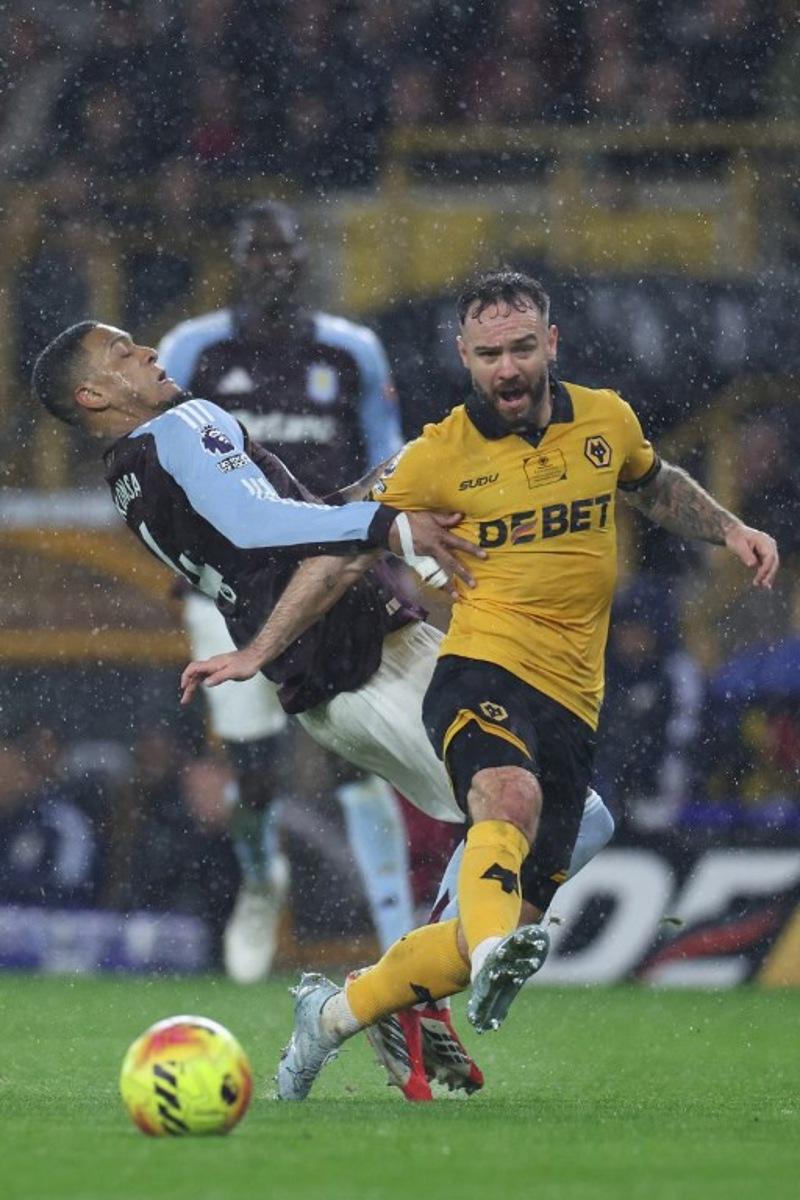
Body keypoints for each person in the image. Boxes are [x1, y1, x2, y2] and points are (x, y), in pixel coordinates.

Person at [188, 269, 777, 1100]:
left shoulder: (606, 420)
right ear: (465, 357)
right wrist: (257, 649)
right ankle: (500, 951)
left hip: (575, 701)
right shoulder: (436, 456)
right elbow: (337, 545)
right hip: (478, 668)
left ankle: (329, 1018)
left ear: (551, 345)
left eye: (522, 349)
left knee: (474, 936)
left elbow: (654, 485)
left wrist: (731, 527)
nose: (508, 368)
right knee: (505, 799)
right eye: (490, 353)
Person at [31, 317, 617, 1102]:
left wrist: (376, 495)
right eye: (121, 352)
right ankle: (397, 991)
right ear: (92, 393)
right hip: (361, 659)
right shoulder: (184, 422)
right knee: (549, 818)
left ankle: (391, 992)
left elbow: (280, 530)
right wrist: (389, 524)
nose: (146, 352)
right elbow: (263, 525)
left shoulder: (124, 474)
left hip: (331, 669)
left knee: (530, 821)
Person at [157, 199, 414, 983]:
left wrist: (386, 549)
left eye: (285, 249)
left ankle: (399, 930)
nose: (272, 263)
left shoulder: (351, 352)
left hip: (327, 580)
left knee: (358, 759)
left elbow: (391, 457)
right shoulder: (194, 349)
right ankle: (261, 881)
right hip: (228, 593)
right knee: (256, 767)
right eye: (256, 249)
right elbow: (157, 454)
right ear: (233, 259)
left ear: (305, 259)